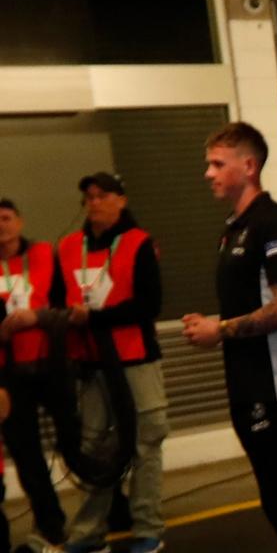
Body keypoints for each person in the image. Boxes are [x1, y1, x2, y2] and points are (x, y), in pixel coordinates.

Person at [182, 122, 277, 553]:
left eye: (217, 164)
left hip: (276, 387)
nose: (209, 173)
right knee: (275, 503)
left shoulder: (274, 223)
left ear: (248, 165)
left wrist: (218, 330)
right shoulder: (232, 228)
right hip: (245, 383)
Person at [53, 173, 166, 553]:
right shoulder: (68, 247)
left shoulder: (139, 244)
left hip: (135, 360)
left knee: (146, 444)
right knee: (94, 450)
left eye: (102, 196)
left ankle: (148, 529)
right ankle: (88, 534)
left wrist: (95, 319)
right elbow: (56, 303)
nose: (94, 203)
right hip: (91, 364)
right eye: (88, 198)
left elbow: (149, 306)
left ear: (121, 199)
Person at [0, 198, 66, 551]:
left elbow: (63, 302)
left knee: (74, 442)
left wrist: (38, 319)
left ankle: (109, 511)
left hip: (50, 364)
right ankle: (51, 524)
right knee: (26, 455)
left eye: (7, 218)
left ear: (20, 222)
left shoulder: (43, 254)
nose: (1, 226)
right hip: (8, 374)